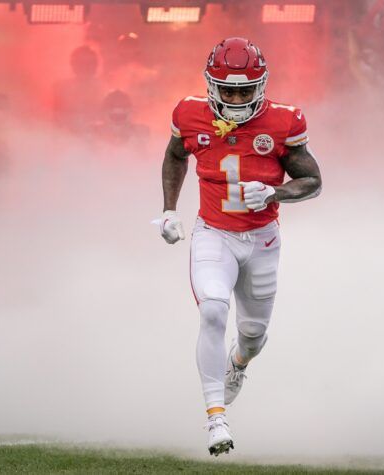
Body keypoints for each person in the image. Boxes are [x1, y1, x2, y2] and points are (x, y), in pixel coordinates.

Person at [156, 37, 322, 456]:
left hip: (263, 240)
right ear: (211, 85)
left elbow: (313, 182)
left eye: (244, 90)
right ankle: (216, 419)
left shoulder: (284, 121)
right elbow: (176, 154)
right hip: (214, 233)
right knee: (213, 309)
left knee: (253, 335)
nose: (234, 98)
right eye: (226, 89)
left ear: (260, 86)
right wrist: (169, 210)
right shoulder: (190, 113)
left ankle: (239, 365)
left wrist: (272, 193)